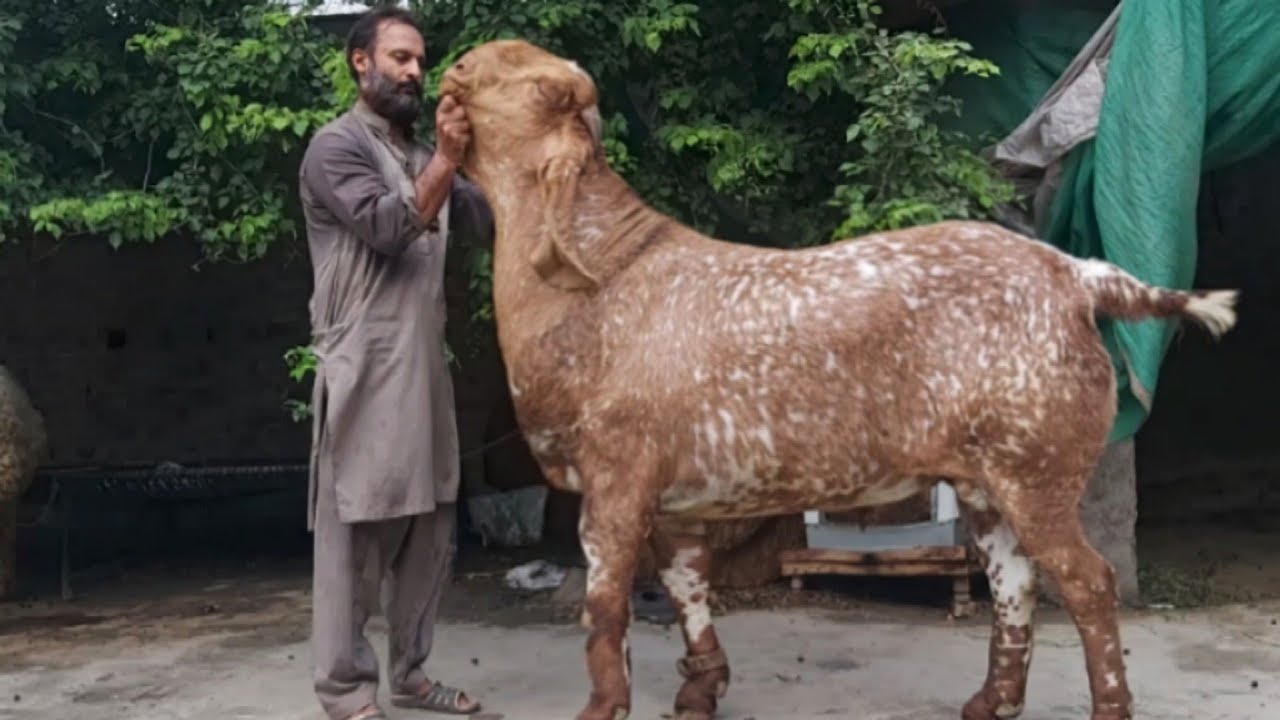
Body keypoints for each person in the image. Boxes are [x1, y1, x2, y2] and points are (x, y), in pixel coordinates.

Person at [297, 6, 492, 719]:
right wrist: (446, 158)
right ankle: (348, 693)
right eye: (401, 57)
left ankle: (410, 674)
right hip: (364, 369)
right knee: (357, 537)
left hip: (424, 369)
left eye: (419, 60)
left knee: (431, 527)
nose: (416, 71)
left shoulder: (420, 154)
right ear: (361, 62)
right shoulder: (335, 148)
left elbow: (485, 221)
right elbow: (385, 228)